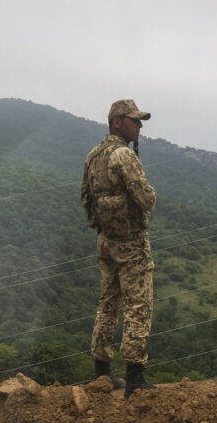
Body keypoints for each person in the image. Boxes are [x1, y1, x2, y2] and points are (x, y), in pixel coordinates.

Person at [80, 99, 157, 398]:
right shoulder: (124, 156)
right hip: (132, 243)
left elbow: (86, 197)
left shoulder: (93, 155)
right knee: (139, 305)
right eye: (134, 120)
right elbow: (147, 199)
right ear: (117, 122)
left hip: (105, 242)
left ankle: (102, 373)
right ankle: (135, 378)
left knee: (108, 303)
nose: (139, 125)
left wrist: (102, 226)